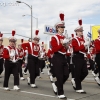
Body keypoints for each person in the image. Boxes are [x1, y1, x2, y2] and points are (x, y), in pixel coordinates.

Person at [51, 12, 69, 99]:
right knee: (60, 75)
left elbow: (65, 49)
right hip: (57, 57)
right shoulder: (54, 37)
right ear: (57, 28)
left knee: (66, 74)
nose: (63, 28)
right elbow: (54, 50)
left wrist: (66, 45)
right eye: (61, 27)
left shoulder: (64, 37)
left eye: (63, 27)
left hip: (63, 57)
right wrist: (62, 44)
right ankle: (60, 93)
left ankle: (56, 84)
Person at [72, 19, 89, 93]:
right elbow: (76, 49)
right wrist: (84, 45)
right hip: (77, 56)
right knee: (78, 72)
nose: (81, 32)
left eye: (82, 31)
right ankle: (78, 88)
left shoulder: (83, 39)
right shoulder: (74, 39)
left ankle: (76, 81)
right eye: (80, 31)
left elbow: (84, 50)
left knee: (85, 72)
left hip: (82, 56)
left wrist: (87, 46)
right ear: (76, 32)